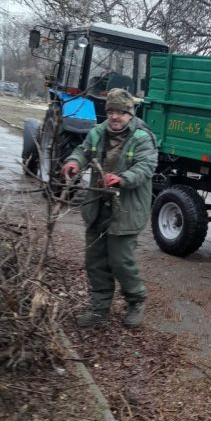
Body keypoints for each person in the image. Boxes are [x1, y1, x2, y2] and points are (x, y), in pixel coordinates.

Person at [61, 88, 158, 329]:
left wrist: (122, 178)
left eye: (120, 112)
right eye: (111, 111)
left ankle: (136, 301)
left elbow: (145, 168)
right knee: (95, 260)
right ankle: (99, 308)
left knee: (120, 260)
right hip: (98, 206)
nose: (115, 117)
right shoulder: (97, 133)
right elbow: (82, 151)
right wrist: (73, 162)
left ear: (130, 113)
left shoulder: (143, 138)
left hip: (125, 209)